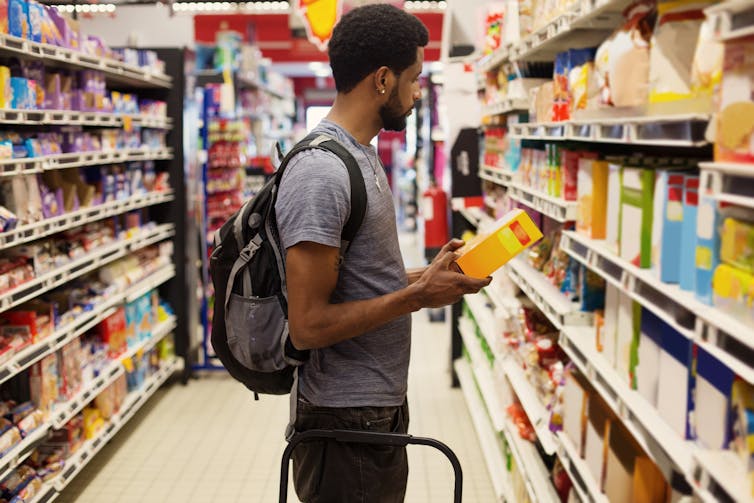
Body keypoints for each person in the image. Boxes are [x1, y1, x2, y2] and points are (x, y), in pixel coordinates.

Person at [275, 4, 490, 502]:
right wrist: (416, 298)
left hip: (374, 409)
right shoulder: (322, 173)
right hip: (343, 423)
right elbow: (308, 324)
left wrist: (422, 278)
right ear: (382, 80)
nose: (417, 94)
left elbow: (357, 277)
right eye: (414, 80)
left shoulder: (362, 153)